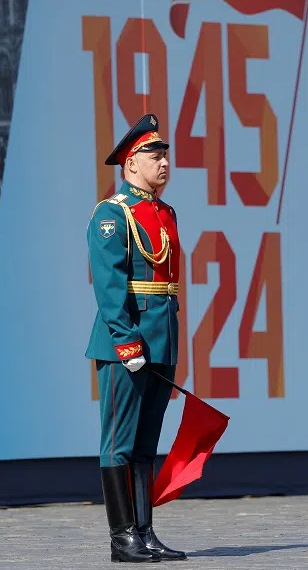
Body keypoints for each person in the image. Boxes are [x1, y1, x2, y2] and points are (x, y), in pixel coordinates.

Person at [85, 113, 186, 563]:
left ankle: (145, 533)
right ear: (130, 163)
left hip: (160, 340)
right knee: (118, 442)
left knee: (146, 446)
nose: (164, 161)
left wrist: (162, 343)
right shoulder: (111, 214)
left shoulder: (165, 214)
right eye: (154, 154)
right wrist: (127, 342)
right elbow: (109, 286)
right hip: (124, 342)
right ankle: (121, 536)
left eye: (165, 154)